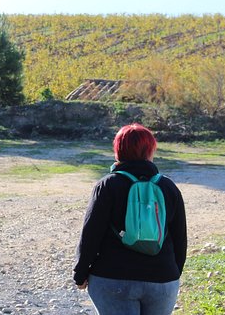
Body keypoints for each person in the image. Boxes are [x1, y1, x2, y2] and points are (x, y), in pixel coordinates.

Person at [73, 123, 187, 315]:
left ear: (118, 150)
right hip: (163, 279)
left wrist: (80, 273)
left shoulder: (107, 185)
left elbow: (91, 233)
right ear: (150, 150)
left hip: (112, 277)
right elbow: (179, 238)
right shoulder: (169, 187)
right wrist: (172, 273)